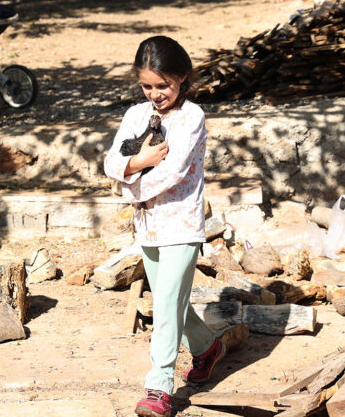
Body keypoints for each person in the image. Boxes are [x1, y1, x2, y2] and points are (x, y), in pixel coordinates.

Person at [104, 36, 226, 417]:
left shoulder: (192, 117)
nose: (155, 94)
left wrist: (128, 188)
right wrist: (137, 162)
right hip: (148, 226)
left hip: (181, 224)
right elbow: (110, 161)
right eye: (147, 86)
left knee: (167, 304)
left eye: (163, 86)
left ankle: (158, 386)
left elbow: (173, 173)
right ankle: (207, 346)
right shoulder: (136, 116)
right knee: (170, 301)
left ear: (182, 78)